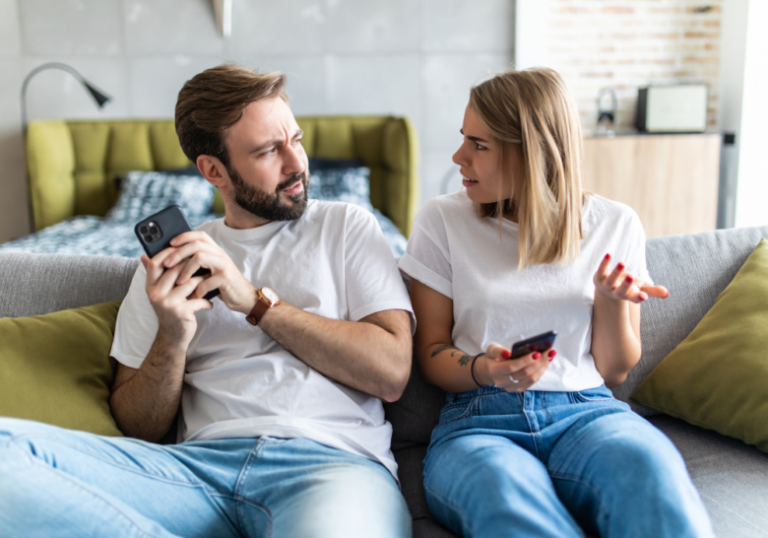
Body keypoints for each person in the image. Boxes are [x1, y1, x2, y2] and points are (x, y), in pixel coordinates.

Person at [0, 65, 414, 538]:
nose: (296, 163)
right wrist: (173, 338)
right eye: (268, 151)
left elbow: (391, 372)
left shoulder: (346, 226)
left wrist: (255, 304)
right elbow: (139, 428)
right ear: (213, 170)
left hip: (328, 466)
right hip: (192, 473)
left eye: (295, 139)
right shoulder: (170, 263)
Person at [398, 68, 713, 538]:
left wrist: (608, 301)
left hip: (587, 412)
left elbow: (615, 369)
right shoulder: (442, 221)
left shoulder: (615, 223)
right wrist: (487, 369)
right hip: (479, 424)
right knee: (507, 502)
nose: (459, 157)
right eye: (465, 139)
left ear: (533, 152)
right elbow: (431, 354)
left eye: (479, 146)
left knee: (653, 477)